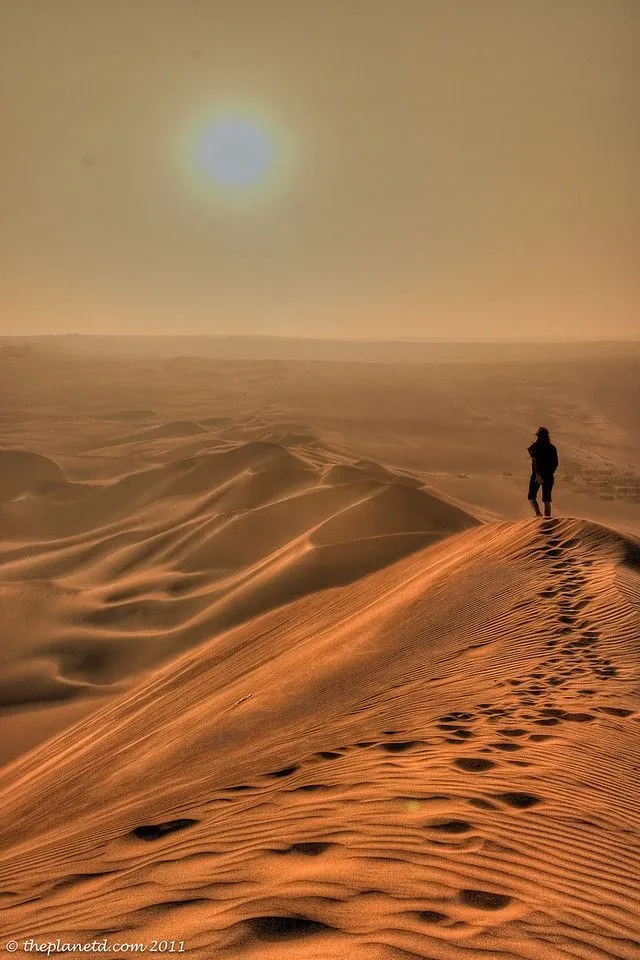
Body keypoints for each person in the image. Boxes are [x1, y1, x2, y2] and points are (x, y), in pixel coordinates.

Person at [527, 426, 558, 518]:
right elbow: (556, 464)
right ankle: (545, 518)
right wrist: (549, 472)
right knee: (546, 499)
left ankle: (538, 514)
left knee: (532, 496)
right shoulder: (552, 448)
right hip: (548, 475)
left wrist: (538, 474)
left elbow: (532, 455)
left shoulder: (537, 447)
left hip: (537, 475)